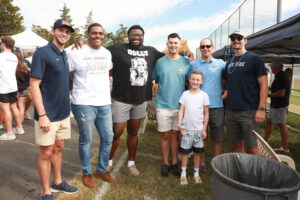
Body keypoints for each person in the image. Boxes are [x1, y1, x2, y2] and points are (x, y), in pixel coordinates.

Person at [30, 19, 78, 200]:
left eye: (67, 31)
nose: (64, 33)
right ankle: (46, 192)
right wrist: (42, 115)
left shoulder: (65, 54)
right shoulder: (42, 53)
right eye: (61, 30)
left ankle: (57, 182)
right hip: (47, 114)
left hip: (64, 113)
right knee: (46, 152)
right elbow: (34, 85)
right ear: (53, 31)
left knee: (59, 147)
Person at [67, 23, 117, 188]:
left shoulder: (107, 53)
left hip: (104, 103)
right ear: (87, 35)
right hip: (83, 103)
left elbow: (107, 73)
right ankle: (87, 172)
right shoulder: (76, 51)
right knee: (86, 140)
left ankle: (101, 170)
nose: (98, 36)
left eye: (101, 34)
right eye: (94, 33)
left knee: (108, 137)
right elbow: (67, 70)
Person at [223, 30, 268, 155]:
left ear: (245, 40)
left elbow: (264, 84)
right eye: (233, 38)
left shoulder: (255, 58)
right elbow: (226, 82)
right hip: (231, 111)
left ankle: (255, 173)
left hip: (249, 111)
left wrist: (261, 108)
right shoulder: (229, 63)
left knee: (252, 146)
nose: (236, 40)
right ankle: (241, 170)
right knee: (237, 143)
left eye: (239, 37)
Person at [152, 33, 190, 178]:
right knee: (165, 135)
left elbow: (191, 82)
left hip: (179, 106)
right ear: (167, 44)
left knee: (176, 135)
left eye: (176, 43)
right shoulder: (160, 62)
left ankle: (175, 163)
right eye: (171, 43)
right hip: (162, 105)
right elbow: (153, 80)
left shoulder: (186, 63)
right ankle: (165, 163)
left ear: (180, 45)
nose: (173, 45)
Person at [189, 38, 226, 162]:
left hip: (217, 107)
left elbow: (229, 80)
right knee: (200, 137)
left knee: (217, 138)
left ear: (212, 47)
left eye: (208, 46)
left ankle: (216, 164)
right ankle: (201, 163)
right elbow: (189, 82)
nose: (205, 49)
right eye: (203, 46)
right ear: (200, 49)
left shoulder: (221, 63)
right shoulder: (194, 64)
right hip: (199, 108)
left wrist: (226, 94)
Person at [178, 70, 209, 185]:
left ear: (201, 81)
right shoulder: (185, 94)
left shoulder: (204, 96)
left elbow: (206, 114)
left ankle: (196, 174)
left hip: (199, 130)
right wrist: (181, 124)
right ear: (189, 80)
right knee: (185, 153)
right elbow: (181, 110)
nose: (195, 82)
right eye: (193, 79)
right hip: (187, 130)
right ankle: (183, 173)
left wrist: (204, 129)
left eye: (197, 80)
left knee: (197, 153)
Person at [264, 61, 291, 152]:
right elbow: (277, 89)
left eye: (272, 67)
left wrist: (268, 95)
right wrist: (270, 89)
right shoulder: (279, 76)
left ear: (276, 67)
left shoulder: (281, 76)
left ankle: (285, 148)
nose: (271, 69)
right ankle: (265, 141)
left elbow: (281, 93)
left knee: (281, 125)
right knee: (269, 121)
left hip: (279, 105)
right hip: (275, 104)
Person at [0, 36, 23, 140]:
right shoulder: (14, 57)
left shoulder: (1, 56)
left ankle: (10, 133)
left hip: (3, 86)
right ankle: (19, 128)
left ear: (3, 44)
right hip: (13, 86)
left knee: (6, 109)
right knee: (14, 107)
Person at [14, 51, 30, 128]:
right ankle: (20, 121)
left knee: (14, 106)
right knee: (21, 105)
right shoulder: (25, 67)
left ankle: (17, 123)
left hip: (15, 88)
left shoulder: (13, 66)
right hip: (23, 88)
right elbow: (28, 77)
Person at [24, 51, 34, 120]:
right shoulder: (25, 61)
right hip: (24, 82)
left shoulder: (37, 61)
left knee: (29, 98)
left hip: (31, 83)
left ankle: (25, 111)